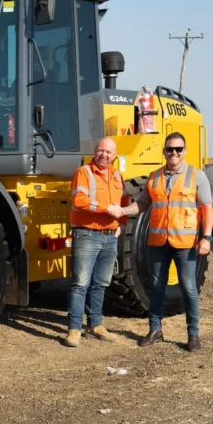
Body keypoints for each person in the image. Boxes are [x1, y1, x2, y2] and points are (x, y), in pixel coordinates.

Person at [119, 132, 213, 352]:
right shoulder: (154, 177)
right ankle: (155, 330)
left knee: (188, 288)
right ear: (164, 151)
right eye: (170, 149)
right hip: (158, 242)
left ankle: (193, 334)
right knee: (157, 287)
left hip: (186, 243)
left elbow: (206, 209)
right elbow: (141, 205)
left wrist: (206, 238)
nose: (174, 153)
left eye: (178, 149)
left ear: (185, 151)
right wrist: (122, 210)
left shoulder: (196, 176)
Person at [64, 137, 129, 348]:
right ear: (95, 151)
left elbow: (124, 202)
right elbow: (79, 200)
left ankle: (96, 325)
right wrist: (106, 209)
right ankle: (74, 329)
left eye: (109, 152)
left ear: (114, 156)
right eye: (101, 150)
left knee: (100, 283)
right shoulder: (83, 173)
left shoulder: (118, 176)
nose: (104, 155)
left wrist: (122, 223)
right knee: (80, 283)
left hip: (110, 237)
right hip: (87, 235)